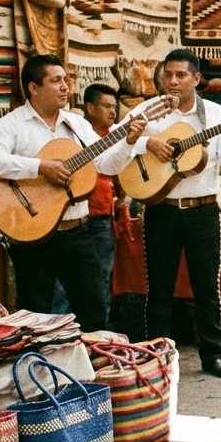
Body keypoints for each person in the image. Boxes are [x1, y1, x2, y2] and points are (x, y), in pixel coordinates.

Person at [98, 49, 221, 378]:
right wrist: (146, 144)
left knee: (207, 287)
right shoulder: (148, 111)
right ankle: (157, 356)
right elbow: (110, 152)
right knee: (159, 290)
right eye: (169, 75)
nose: (174, 81)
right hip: (160, 211)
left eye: (181, 75)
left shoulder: (217, 116)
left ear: (196, 79)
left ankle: (212, 355)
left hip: (203, 211)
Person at [0, 56, 113, 332]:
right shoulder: (12, 124)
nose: (65, 87)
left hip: (77, 232)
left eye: (65, 80)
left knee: (93, 310)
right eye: (56, 81)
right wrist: (40, 167)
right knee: (34, 316)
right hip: (33, 235)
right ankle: (36, 371)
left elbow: (107, 161)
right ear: (33, 88)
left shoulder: (77, 124)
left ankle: (91, 371)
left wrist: (130, 141)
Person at [82, 83, 123, 326]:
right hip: (76, 218)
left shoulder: (114, 135)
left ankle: (99, 335)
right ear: (90, 107)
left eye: (114, 108)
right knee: (69, 283)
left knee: (103, 279)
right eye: (106, 106)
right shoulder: (75, 133)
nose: (112, 113)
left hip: (103, 218)